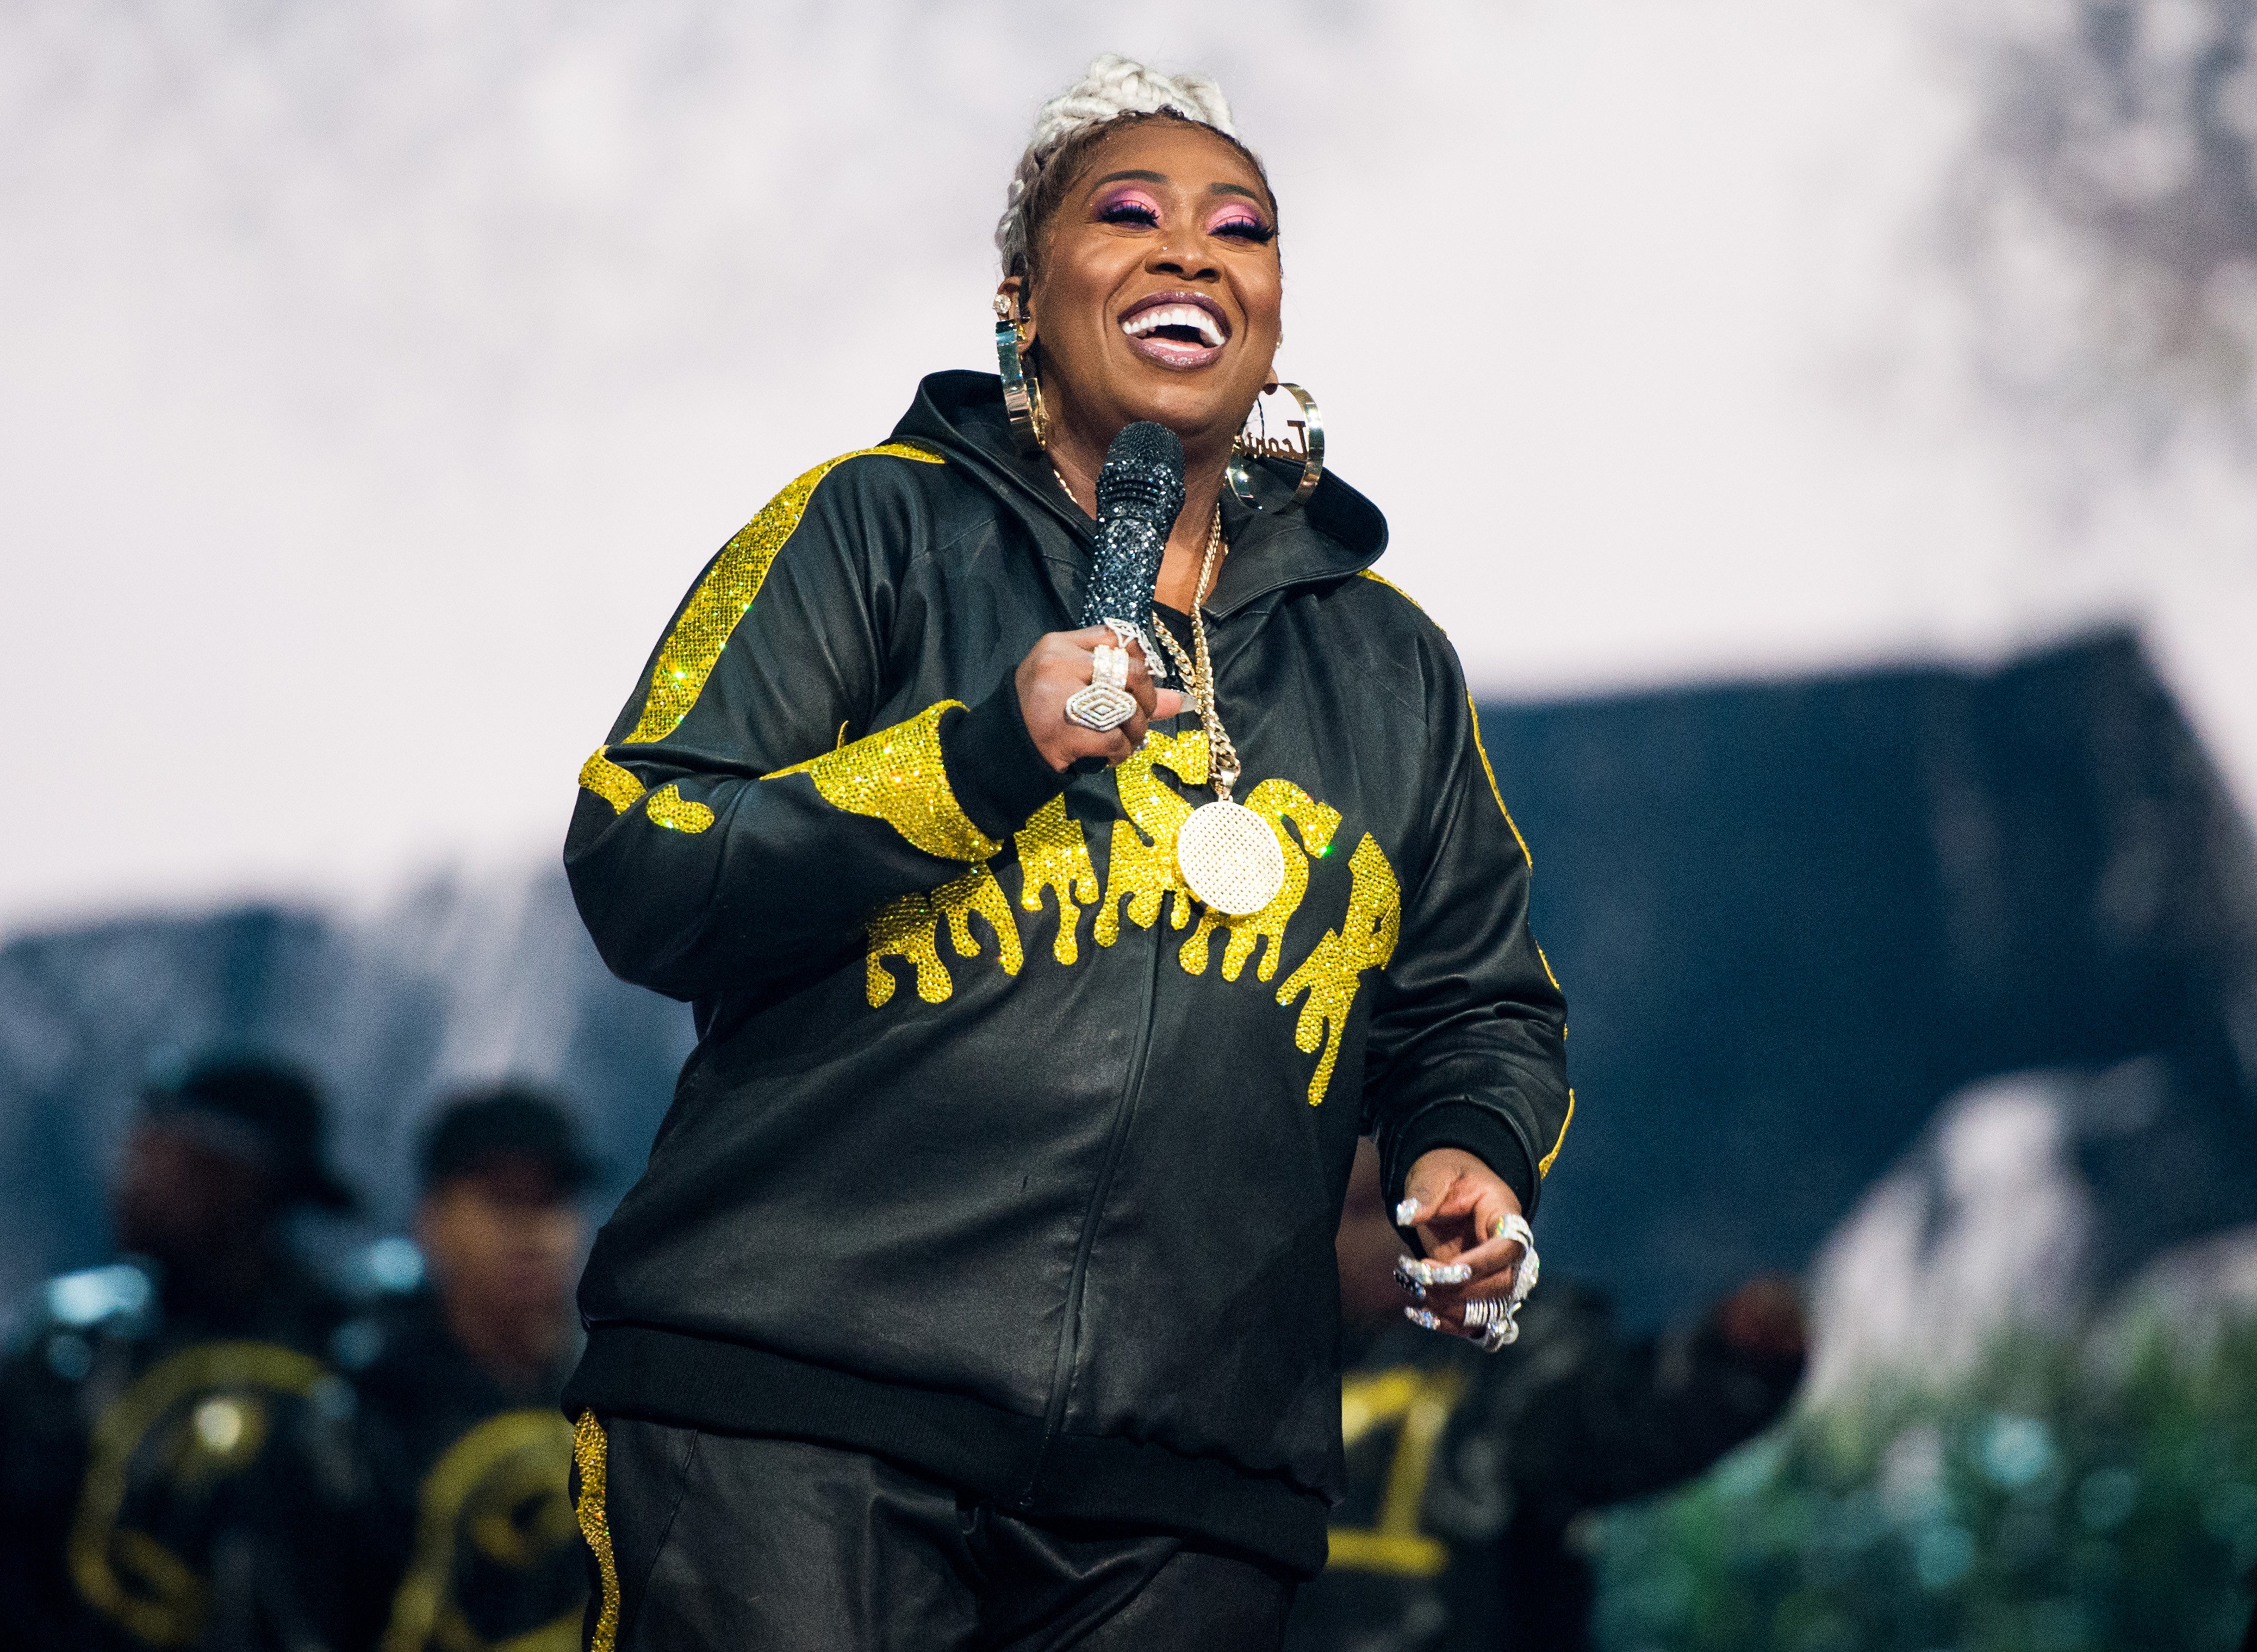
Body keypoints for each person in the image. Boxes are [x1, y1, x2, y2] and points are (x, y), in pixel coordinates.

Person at [560, 54, 1571, 1651]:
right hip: (802, 1402)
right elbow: (646, 847)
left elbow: (1476, 1003)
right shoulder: (873, 528)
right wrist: (980, 753)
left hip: (1188, 1485)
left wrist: (1468, 1154)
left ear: (1277, 313)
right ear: (1022, 299)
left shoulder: (1385, 663)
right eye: (1129, 213)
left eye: (1239, 227)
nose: (1191, 251)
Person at [0, 1054, 366, 1652]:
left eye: (165, 1155)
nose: (131, 1178)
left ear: (243, 1180)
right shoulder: (68, 1341)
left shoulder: (336, 1368)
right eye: (136, 1149)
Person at [1285, 1142, 1806, 1652]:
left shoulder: (1511, 1349)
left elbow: (1613, 1416)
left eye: (1423, 1211)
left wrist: (1731, 1364)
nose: (1396, 1237)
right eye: (1358, 1212)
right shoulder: (1253, 1373)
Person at [337, 1085, 595, 1652]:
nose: (532, 1233)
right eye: (502, 1198)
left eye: (550, 1199)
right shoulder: (361, 1412)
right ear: (431, 1220)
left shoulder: (618, 1392)